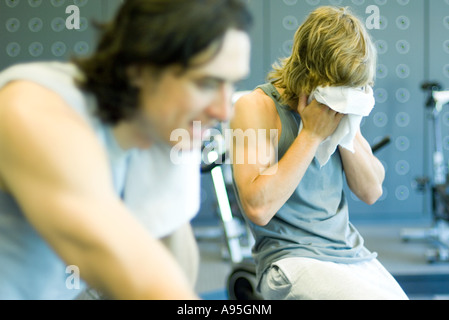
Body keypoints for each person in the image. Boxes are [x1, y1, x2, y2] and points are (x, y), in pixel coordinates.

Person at [0, 0, 251, 300]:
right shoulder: (35, 111)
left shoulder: (156, 123)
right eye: (207, 83)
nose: (224, 111)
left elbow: (179, 277)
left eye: (231, 85)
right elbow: (117, 262)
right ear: (138, 69)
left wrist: (174, 161)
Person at [231, 6, 408, 300]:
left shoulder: (337, 106)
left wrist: (346, 129)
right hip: (291, 259)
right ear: (311, 75)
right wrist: (311, 134)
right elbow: (258, 209)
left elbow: (371, 190)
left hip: (351, 253)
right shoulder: (255, 107)